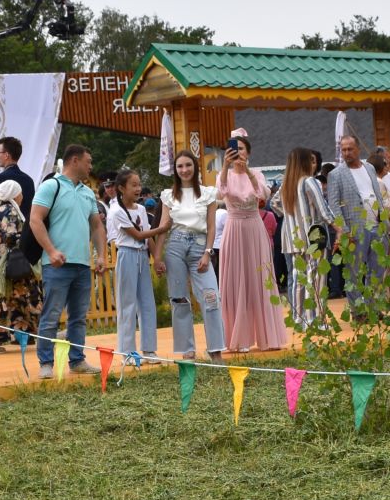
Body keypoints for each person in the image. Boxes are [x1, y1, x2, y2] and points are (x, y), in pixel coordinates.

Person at [29, 145, 107, 378]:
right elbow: (35, 219)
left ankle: (77, 360)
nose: (91, 167)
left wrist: (101, 255)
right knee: (51, 315)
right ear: (74, 160)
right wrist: (51, 251)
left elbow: (96, 225)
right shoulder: (50, 186)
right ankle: (46, 363)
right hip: (56, 264)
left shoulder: (87, 192)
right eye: (88, 161)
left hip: (82, 264)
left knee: (78, 317)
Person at [216, 133, 287, 353]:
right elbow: (220, 193)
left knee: (261, 279)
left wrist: (247, 171)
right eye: (234, 149)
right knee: (236, 280)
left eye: (242, 149)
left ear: (249, 153)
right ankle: (238, 338)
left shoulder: (256, 174)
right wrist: (226, 167)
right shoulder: (223, 174)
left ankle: (268, 337)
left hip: (255, 227)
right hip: (234, 227)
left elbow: (263, 194)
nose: (238, 153)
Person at [156, 153, 223, 359]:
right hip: (175, 246)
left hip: (200, 247)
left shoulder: (208, 193)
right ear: (175, 170)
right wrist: (157, 257)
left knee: (211, 297)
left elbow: (211, 227)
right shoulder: (169, 195)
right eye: (180, 166)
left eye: (188, 165)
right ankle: (187, 350)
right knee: (179, 299)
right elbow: (163, 227)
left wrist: (207, 253)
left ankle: (215, 350)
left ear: (195, 166)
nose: (184, 170)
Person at [106, 169, 160, 361]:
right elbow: (137, 235)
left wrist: (157, 258)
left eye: (139, 185)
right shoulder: (116, 211)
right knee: (127, 304)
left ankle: (149, 349)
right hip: (127, 255)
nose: (138, 189)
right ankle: (127, 352)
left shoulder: (142, 209)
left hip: (142, 257)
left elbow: (147, 236)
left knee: (147, 302)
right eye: (133, 185)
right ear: (121, 188)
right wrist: (163, 228)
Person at [324, 134, 382, 309]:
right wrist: (344, 230)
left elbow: (377, 194)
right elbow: (333, 205)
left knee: (377, 270)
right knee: (354, 273)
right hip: (354, 229)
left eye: (350, 149)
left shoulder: (370, 168)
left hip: (377, 226)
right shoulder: (336, 174)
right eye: (343, 150)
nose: (346, 153)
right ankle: (358, 311)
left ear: (358, 149)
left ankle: (373, 308)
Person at [280, 147, 334, 328]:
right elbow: (323, 210)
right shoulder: (309, 182)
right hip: (314, 236)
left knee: (298, 279)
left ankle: (299, 319)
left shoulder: (285, 184)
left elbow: (274, 204)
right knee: (316, 279)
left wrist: (292, 218)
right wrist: (339, 227)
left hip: (294, 238)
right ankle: (314, 320)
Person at [0, 179, 40, 343]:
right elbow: (13, 238)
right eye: (20, 193)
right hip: (9, 266)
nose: (22, 196)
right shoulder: (11, 213)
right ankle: (22, 335)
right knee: (17, 297)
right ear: (14, 195)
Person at [0, 135, 36, 212]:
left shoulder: (1, 178)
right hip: (24, 223)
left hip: (5, 223)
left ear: (6, 155)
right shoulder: (29, 180)